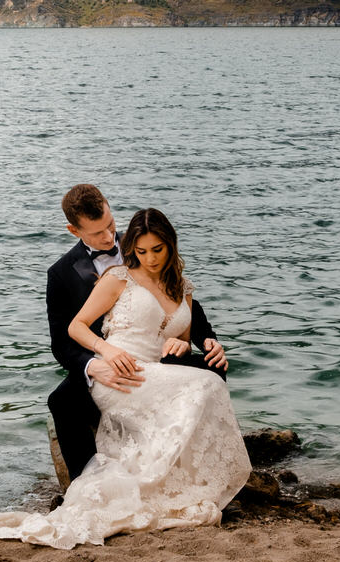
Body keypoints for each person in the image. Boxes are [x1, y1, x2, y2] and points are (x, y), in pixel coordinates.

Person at [0, 208, 251, 549]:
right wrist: (104, 354)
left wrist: (186, 345)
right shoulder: (118, 277)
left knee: (211, 378)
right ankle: (92, 486)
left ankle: (189, 481)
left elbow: (182, 337)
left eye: (158, 250)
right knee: (204, 385)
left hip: (156, 368)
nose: (150, 259)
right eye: (141, 251)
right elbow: (74, 328)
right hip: (118, 371)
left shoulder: (183, 286)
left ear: (170, 246)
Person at [39, 184, 227, 480]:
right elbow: (62, 342)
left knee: (213, 370)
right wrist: (94, 365)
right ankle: (85, 483)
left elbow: (181, 303)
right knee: (61, 401)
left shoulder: (145, 241)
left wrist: (206, 340)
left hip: (158, 354)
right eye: (97, 233)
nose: (108, 236)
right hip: (103, 359)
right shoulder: (61, 273)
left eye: (110, 225)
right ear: (74, 231)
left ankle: (195, 469)